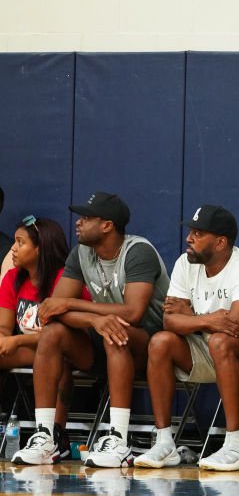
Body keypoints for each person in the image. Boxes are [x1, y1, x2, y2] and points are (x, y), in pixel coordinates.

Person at [13, 192, 169, 468]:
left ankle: (119, 439)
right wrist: (93, 321)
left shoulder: (138, 252)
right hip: (100, 340)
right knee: (52, 333)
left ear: (107, 225)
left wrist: (73, 305)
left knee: (115, 332)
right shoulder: (81, 253)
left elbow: (133, 313)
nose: (78, 223)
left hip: (149, 347)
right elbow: (51, 311)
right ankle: (46, 436)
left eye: (86, 218)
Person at [135, 205, 239, 471]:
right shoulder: (184, 263)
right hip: (209, 347)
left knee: (221, 341)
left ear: (221, 242)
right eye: (190, 232)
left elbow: (234, 326)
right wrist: (208, 319)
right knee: (161, 341)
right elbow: (170, 321)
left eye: (198, 234)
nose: (189, 239)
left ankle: (236, 445)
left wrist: (191, 317)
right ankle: (164, 443)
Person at [0, 216, 90, 458]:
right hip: (33, 347)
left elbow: (61, 333)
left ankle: (54, 433)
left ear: (40, 248)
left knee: (55, 354)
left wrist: (16, 340)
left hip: (72, 348)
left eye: (20, 243)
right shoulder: (12, 278)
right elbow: (4, 327)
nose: (13, 248)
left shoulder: (64, 279)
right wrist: (4, 338)